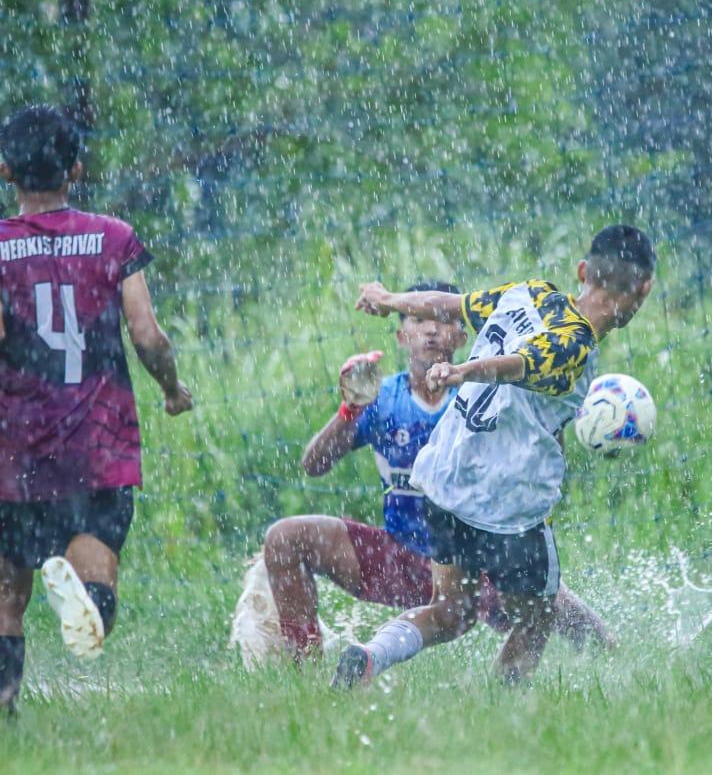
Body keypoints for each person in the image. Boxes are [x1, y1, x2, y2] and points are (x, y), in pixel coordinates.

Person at [0, 105, 193, 712]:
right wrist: (172, 389)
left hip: (11, 445)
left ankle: (0, 721)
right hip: (99, 440)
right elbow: (148, 336)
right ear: (76, 168)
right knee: (96, 571)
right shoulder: (114, 238)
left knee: (5, 584)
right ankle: (86, 598)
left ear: (3, 171)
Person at [332, 225, 655, 688]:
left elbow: (449, 305)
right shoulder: (577, 345)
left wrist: (390, 299)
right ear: (644, 288)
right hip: (505, 504)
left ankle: (369, 657)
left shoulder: (530, 293)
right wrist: (465, 370)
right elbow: (521, 365)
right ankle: (504, 713)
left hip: (445, 476)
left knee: (449, 611)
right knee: (539, 614)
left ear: (582, 271)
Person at [231, 282, 613, 667]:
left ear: (463, 336)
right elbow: (313, 465)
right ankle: (305, 668)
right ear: (402, 335)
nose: (431, 330)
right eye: (417, 320)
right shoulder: (383, 398)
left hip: (471, 558)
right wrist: (349, 410)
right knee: (284, 537)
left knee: (548, 601)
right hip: (398, 555)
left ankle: (611, 656)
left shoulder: (485, 398)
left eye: (440, 320)